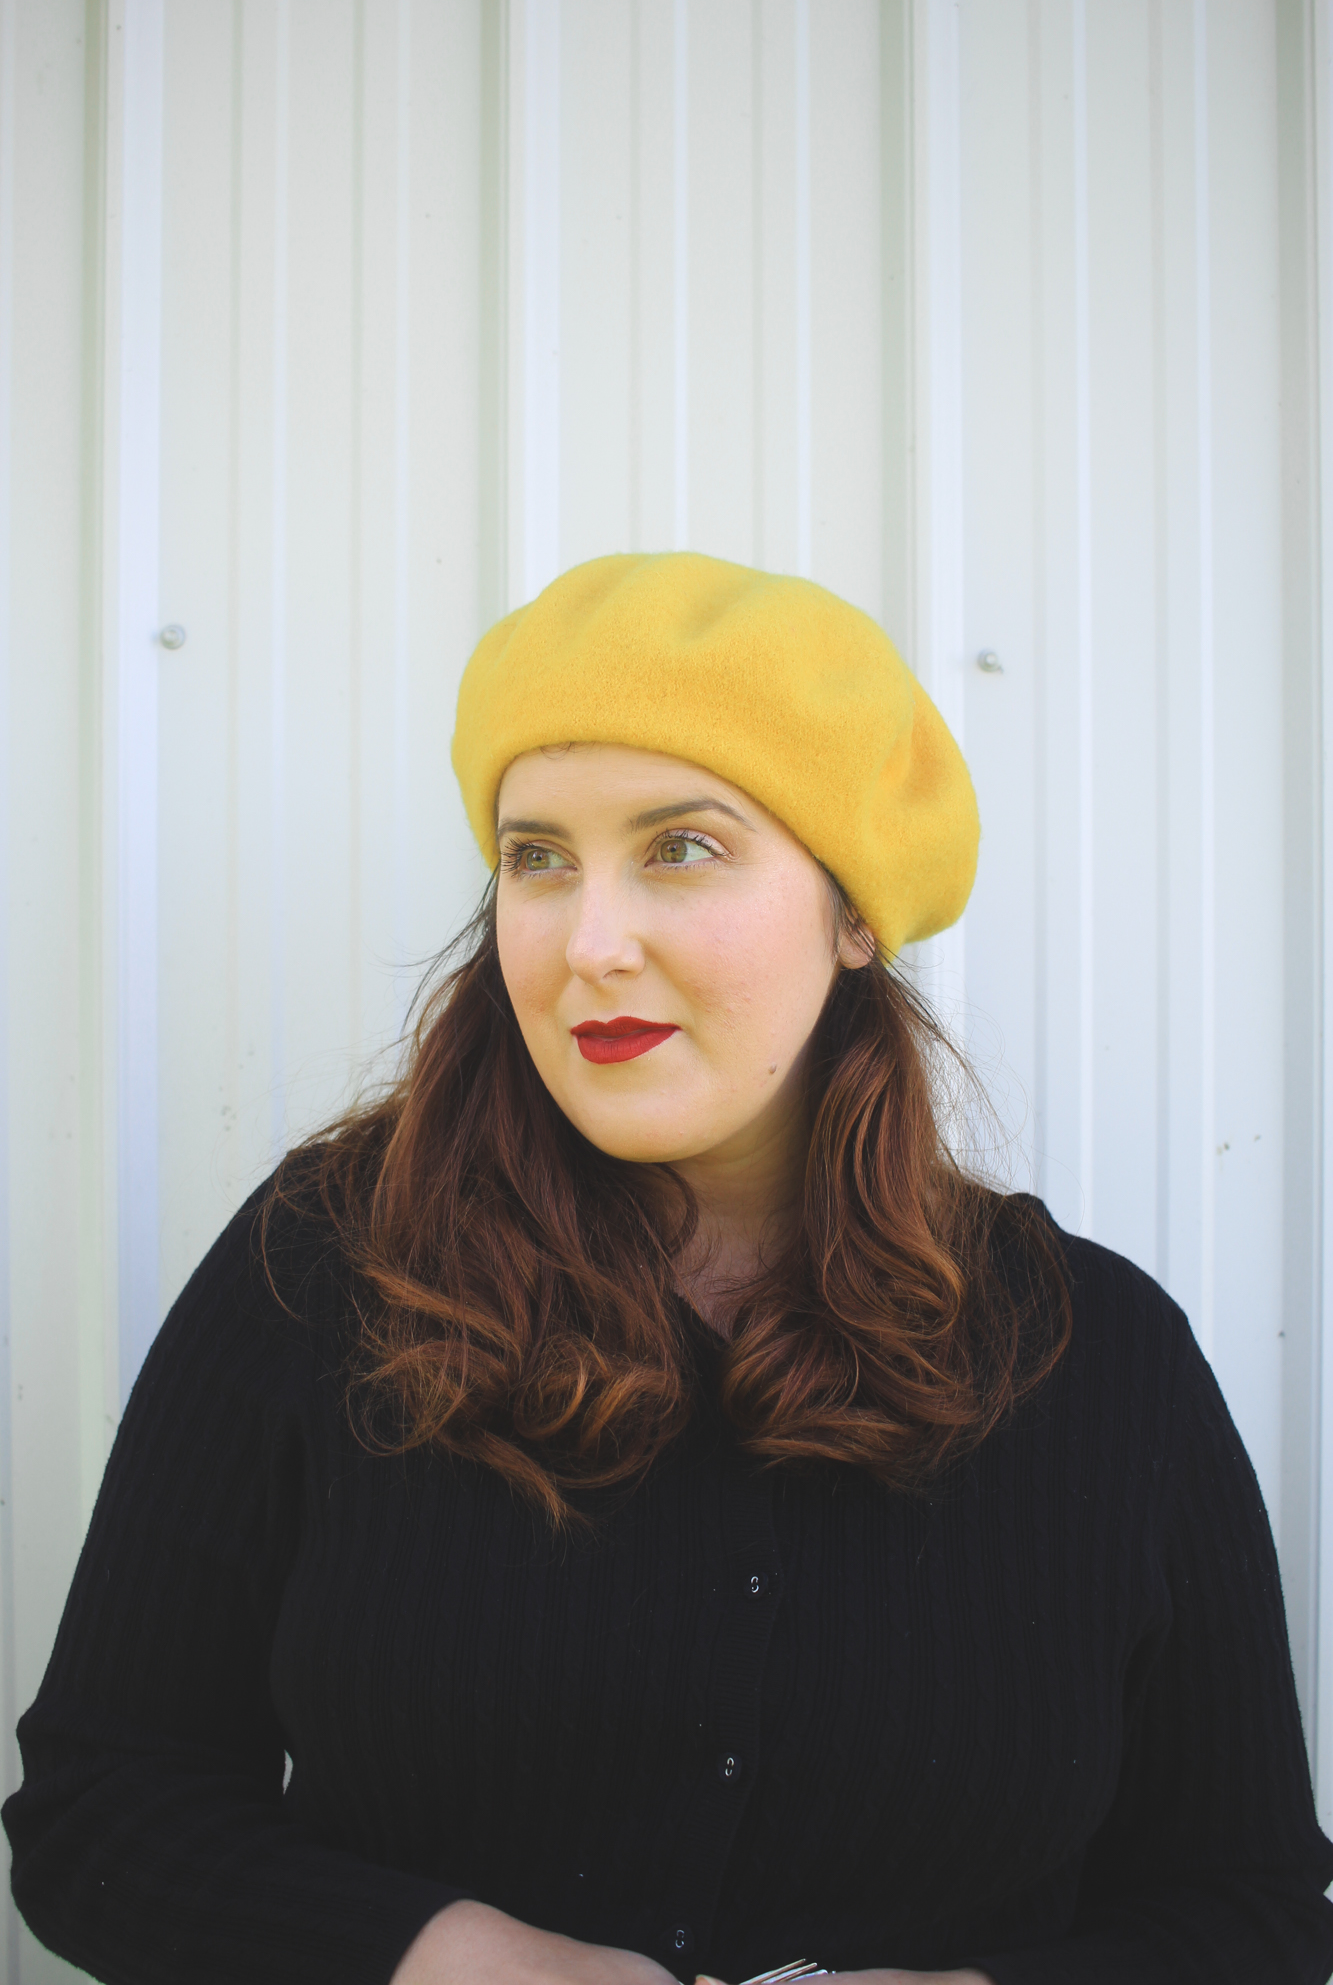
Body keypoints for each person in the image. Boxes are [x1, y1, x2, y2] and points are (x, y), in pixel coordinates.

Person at [5, 552, 1332, 1985]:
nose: (588, 942)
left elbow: (1249, 1907)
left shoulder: (1097, 1356)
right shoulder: (324, 1271)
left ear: (853, 909)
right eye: (538, 857)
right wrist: (455, 1960)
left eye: (680, 847)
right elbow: (103, 1809)